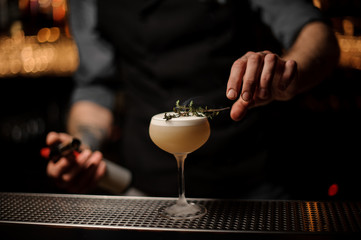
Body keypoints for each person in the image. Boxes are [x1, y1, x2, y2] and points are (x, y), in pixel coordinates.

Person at [45, 0, 339, 198]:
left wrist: (287, 75)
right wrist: (82, 146)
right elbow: (95, 87)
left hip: (252, 178)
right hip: (147, 185)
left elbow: (316, 32)